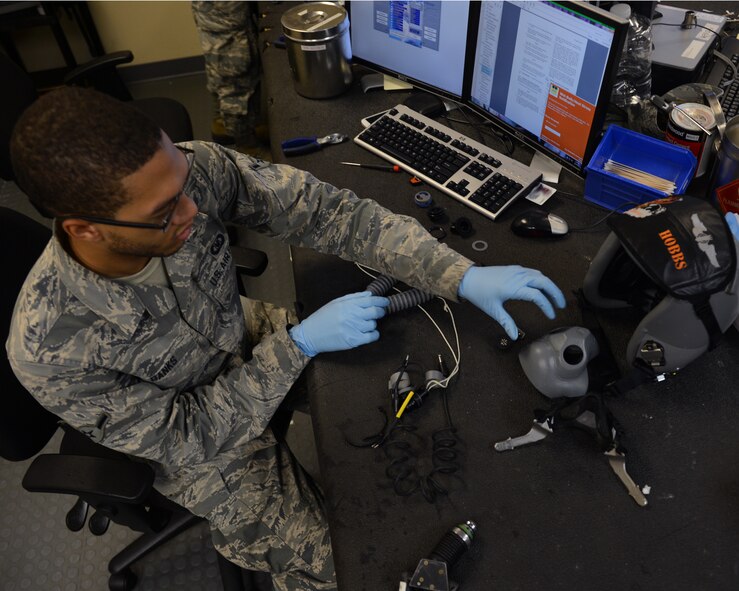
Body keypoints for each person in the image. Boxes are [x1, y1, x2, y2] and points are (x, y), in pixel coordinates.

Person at [6, 87, 565, 591]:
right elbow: (188, 436)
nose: (193, 210)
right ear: (84, 229)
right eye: (163, 212)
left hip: (242, 338)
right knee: (356, 567)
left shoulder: (185, 176)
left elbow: (328, 213)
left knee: (418, 388)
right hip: (200, 440)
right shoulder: (49, 346)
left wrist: (458, 274)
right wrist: (296, 346)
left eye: (183, 185)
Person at [191, 1, 265, 152]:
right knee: (235, 79)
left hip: (219, 14)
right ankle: (248, 147)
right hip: (226, 13)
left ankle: (222, 123)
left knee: (219, 61)